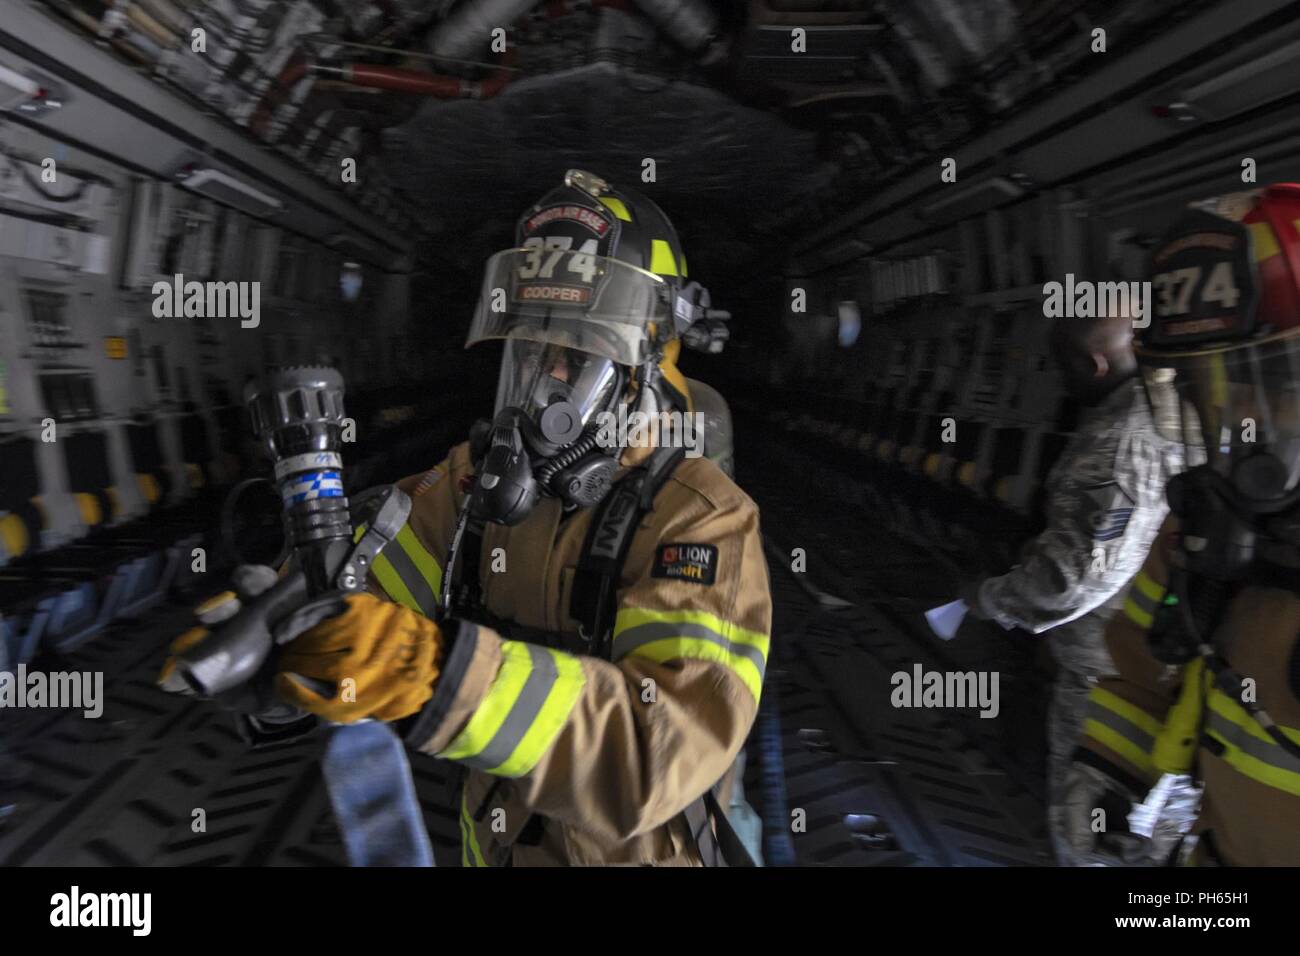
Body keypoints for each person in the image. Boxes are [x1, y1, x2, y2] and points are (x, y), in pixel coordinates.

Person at [166, 170, 772, 867]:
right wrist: (284, 644)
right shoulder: (475, 484)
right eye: (531, 348)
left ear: (645, 363)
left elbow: (654, 756)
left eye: (574, 354)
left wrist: (435, 675)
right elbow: (361, 591)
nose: (544, 383)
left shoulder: (705, 523)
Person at [1064, 184, 1300, 866]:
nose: (1241, 417)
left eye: (1273, 383)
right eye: (1210, 389)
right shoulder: (1200, 534)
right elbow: (1144, 667)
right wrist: (1109, 768)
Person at [959, 306, 1184, 865]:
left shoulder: (1117, 438)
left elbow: (1072, 579)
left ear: (1096, 361)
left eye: (1066, 368)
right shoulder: (1167, 407)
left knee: (1087, 822)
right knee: (1147, 827)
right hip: (1159, 662)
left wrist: (987, 597)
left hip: (1105, 677)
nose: (1063, 381)